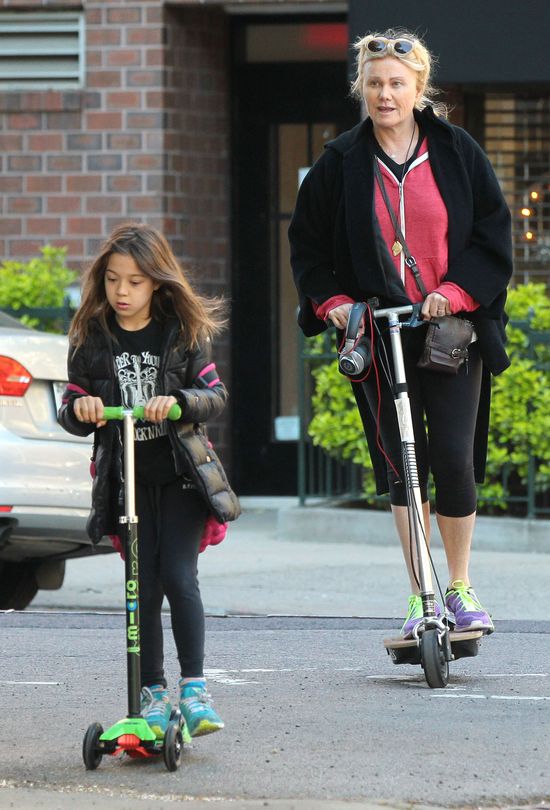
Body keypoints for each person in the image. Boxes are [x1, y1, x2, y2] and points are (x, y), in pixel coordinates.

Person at [289, 30, 513, 638]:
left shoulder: (458, 152)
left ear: (419, 88)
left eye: (396, 83)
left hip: (449, 330)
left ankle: (461, 589)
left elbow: (492, 235)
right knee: (402, 465)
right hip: (379, 331)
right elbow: (308, 249)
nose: (384, 94)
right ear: (360, 88)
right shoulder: (339, 163)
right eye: (374, 83)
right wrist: (332, 303)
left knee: (454, 460)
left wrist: (456, 292)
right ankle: (422, 596)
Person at [58, 222, 240, 739]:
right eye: (114, 280)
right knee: (143, 586)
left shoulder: (179, 335)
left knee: (179, 577)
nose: (122, 292)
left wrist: (179, 401)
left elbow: (215, 395)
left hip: (181, 479)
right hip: (128, 484)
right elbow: (69, 407)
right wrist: (85, 408)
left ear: (157, 283)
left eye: (135, 282)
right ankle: (152, 692)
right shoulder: (93, 339)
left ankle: (195, 690)